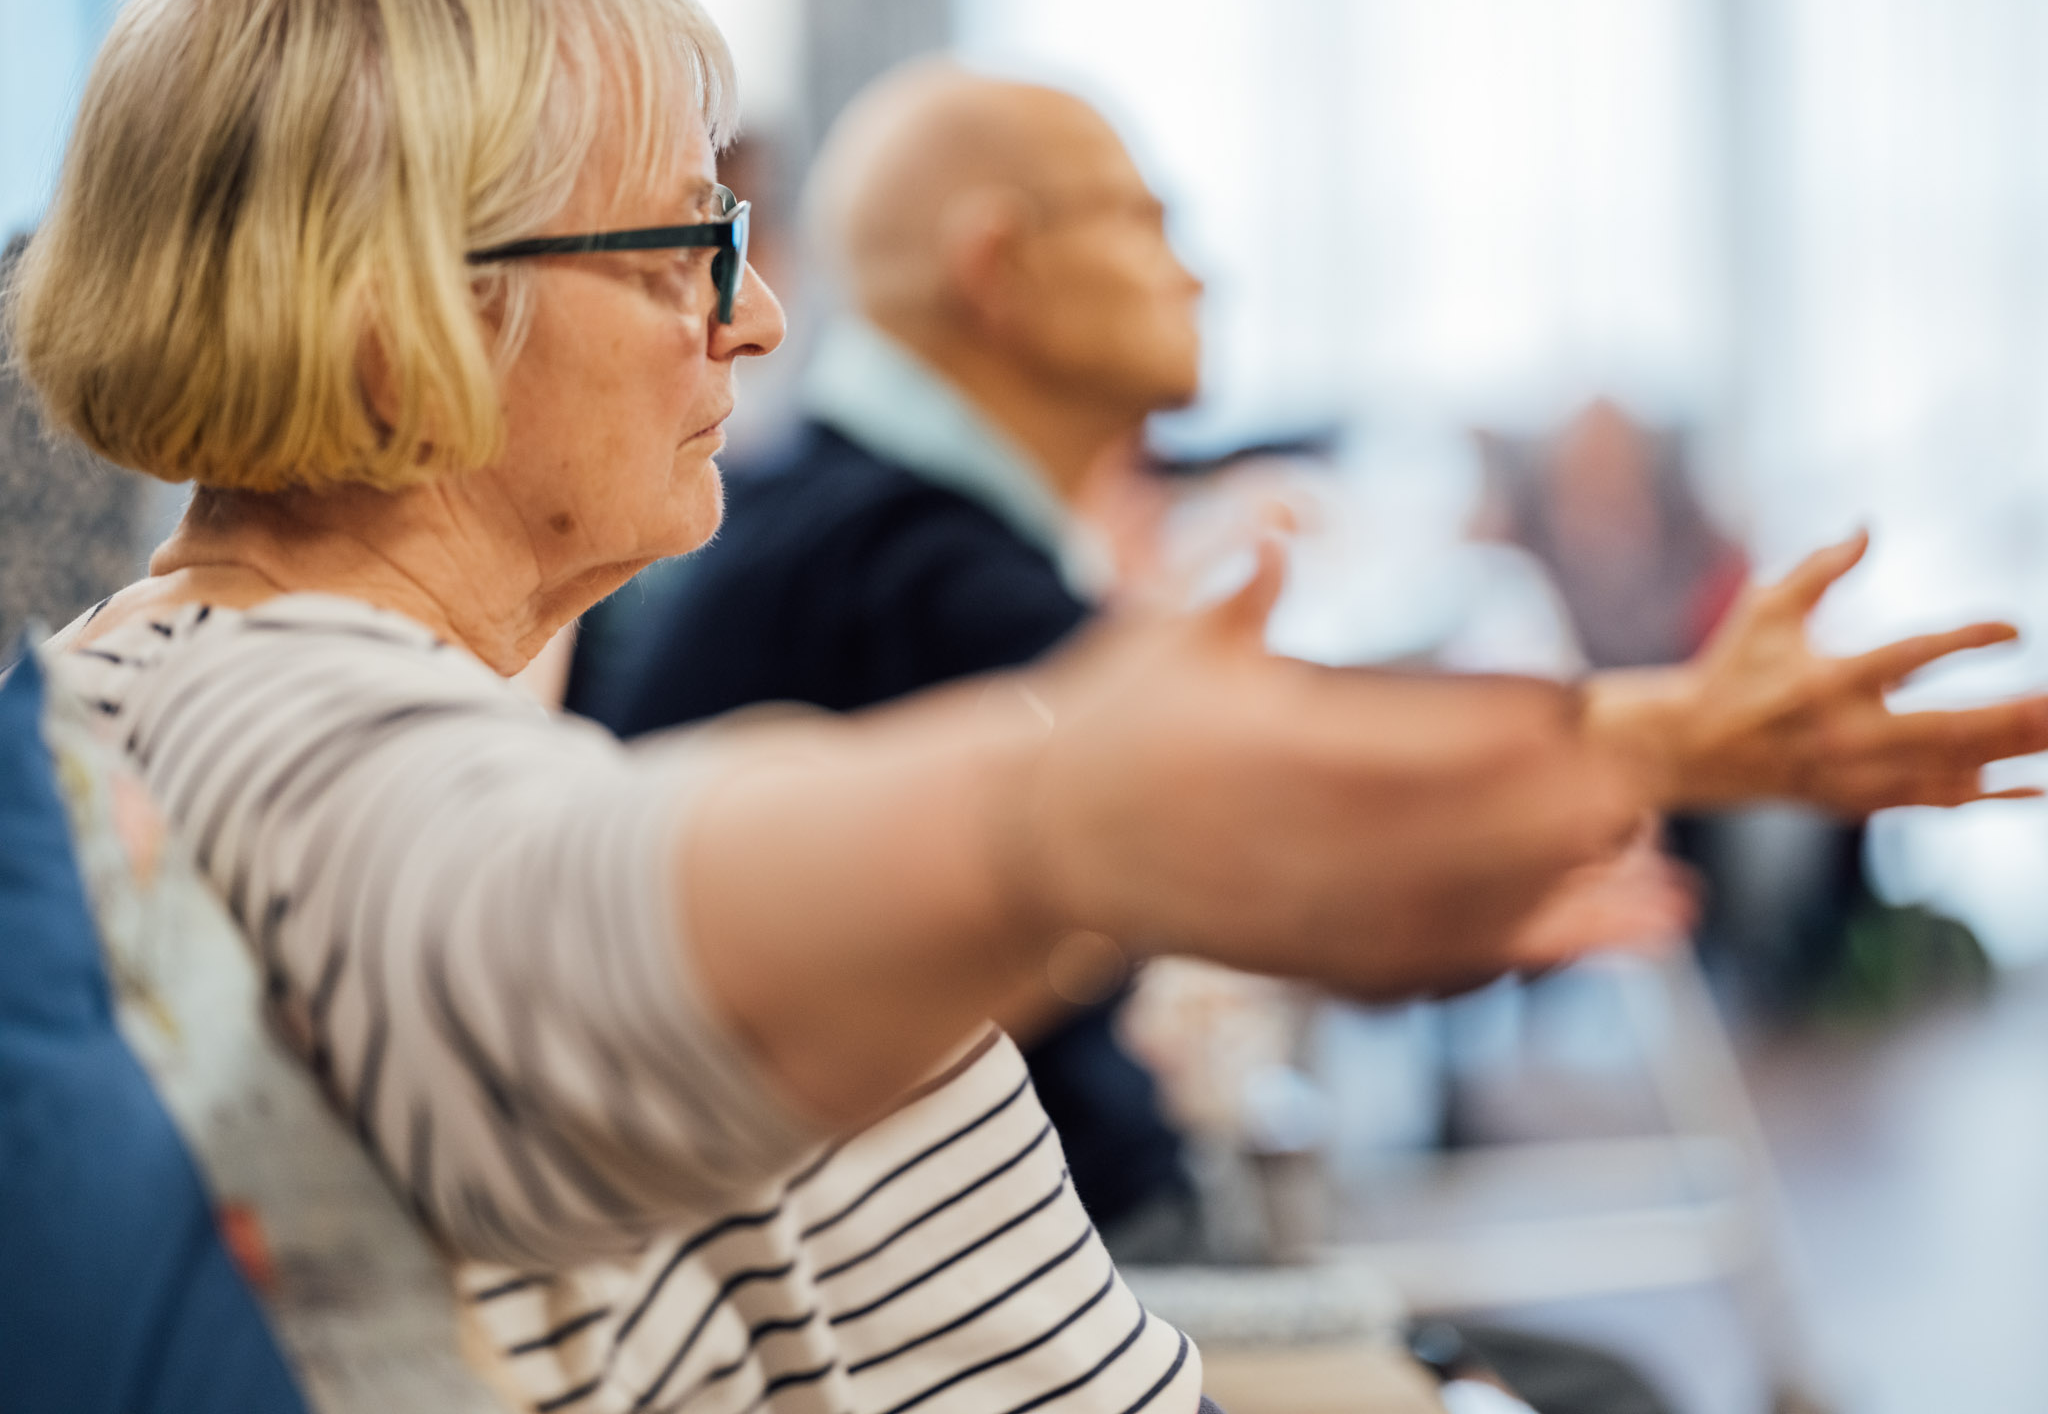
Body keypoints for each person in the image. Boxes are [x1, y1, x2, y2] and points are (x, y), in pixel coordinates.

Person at [8, 0, 1715, 1414]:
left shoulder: (193, 686)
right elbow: (546, 925)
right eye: (691, 249)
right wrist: (1049, 823)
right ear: (404, 327)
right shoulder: (277, 717)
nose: (752, 321)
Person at [587, 61, 2048, 1241]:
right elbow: (1237, 794)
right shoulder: (908, 569)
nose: (1199, 272)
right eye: (1148, 221)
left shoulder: (854, 529)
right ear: (998, 268)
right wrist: (1664, 738)